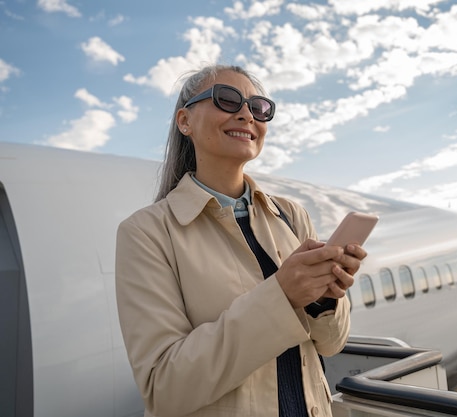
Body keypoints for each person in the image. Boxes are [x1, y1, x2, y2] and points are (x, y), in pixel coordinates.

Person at [115, 64, 367, 417]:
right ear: (185, 121)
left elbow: (331, 344)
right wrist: (282, 295)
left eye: (259, 107)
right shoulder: (147, 233)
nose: (247, 114)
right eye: (227, 100)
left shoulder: (291, 216)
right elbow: (164, 388)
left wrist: (324, 299)